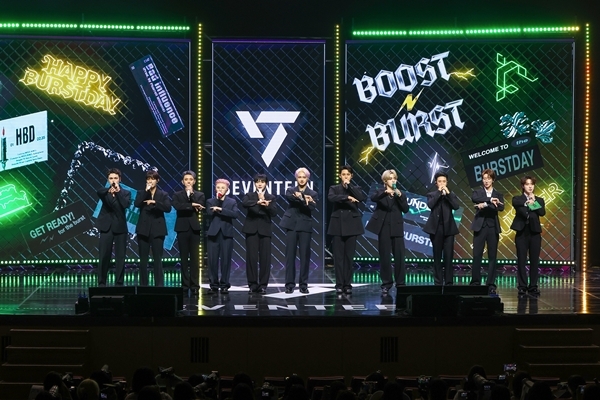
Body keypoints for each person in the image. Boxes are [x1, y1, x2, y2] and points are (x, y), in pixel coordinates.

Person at [366, 169, 409, 294]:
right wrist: (386, 192)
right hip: (384, 228)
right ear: (385, 181)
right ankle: (386, 283)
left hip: (397, 228)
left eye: (394, 178)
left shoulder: (400, 194)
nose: (393, 180)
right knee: (385, 257)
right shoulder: (380, 192)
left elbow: (406, 209)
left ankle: (400, 283)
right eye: (390, 179)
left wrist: (399, 196)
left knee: (399, 257)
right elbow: (373, 198)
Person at [327, 165, 366, 295]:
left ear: (351, 176)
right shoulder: (334, 188)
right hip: (337, 225)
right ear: (340, 176)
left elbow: (361, 198)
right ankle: (339, 284)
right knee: (338, 257)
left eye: (348, 174)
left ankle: (347, 284)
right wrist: (347, 197)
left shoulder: (356, 188)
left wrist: (349, 187)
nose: (345, 177)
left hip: (352, 225)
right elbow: (331, 198)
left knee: (349, 257)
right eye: (343, 174)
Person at [280, 167, 318, 294]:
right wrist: (304, 199)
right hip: (291, 225)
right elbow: (290, 198)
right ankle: (289, 284)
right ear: (296, 178)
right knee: (290, 256)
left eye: (304, 177)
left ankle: (303, 284)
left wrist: (300, 197)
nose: (301, 179)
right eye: (299, 177)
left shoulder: (313, 193)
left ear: (307, 178)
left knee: (305, 257)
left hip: (305, 226)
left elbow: (311, 207)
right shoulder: (291, 190)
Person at [470, 168, 505, 295]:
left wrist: (484, 204)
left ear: (493, 180)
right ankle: (475, 283)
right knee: (477, 255)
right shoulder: (478, 193)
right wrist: (489, 201)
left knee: (492, 257)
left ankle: (490, 284)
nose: (486, 181)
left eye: (488, 179)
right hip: (479, 227)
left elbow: (501, 207)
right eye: (484, 178)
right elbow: (474, 198)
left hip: (492, 227)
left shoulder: (498, 194)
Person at [510, 175, 546, 296]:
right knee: (521, 260)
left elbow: (542, 212)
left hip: (534, 232)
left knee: (534, 260)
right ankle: (522, 286)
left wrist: (533, 202)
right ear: (523, 186)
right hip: (522, 232)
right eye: (527, 184)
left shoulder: (539, 200)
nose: (530, 187)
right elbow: (517, 205)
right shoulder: (518, 199)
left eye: (532, 184)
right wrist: (527, 202)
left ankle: (533, 286)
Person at [135, 171, 172, 287]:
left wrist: (155, 202)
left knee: (157, 259)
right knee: (143, 260)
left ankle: (159, 286)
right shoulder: (141, 193)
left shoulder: (163, 194)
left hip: (158, 229)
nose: (150, 181)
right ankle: (143, 286)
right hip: (143, 229)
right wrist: (146, 192)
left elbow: (168, 208)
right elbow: (137, 204)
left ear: (157, 180)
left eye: (153, 179)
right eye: (148, 179)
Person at [242, 173, 277, 294]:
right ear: (254, 183)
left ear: (266, 184)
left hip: (265, 230)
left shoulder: (271, 197)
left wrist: (267, 205)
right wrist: (258, 201)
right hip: (251, 229)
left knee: (265, 258)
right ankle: (252, 284)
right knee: (251, 258)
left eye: (262, 182)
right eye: (257, 182)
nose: (260, 184)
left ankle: (263, 285)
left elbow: (274, 213)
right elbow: (244, 204)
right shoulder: (249, 195)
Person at [423, 172, 460, 286]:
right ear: (436, 183)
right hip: (436, 229)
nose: (442, 183)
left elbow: (456, 206)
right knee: (437, 256)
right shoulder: (431, 194)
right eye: (440, 181)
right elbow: (430, 205)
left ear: (447, 182)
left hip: (449, 230)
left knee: (448, 257)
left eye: (444, 181)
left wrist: (447, 194)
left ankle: (449, 283)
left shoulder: (451, 195)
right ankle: (438, 283)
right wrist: (439, 192)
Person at [172, 171, 205, 297]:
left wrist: (192, 196)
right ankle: (185, 286)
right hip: (182, 228)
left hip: (194, 228)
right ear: (182, 181)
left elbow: (200, 206)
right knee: (184, 259)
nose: (188, 181)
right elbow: (177, 206)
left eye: (191, 179)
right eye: (186, 179)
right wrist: (191, 205)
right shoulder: (177, 194)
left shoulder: (199, 194)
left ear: (194, 181)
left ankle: (195, 286)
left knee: (195, 259)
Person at [96, 168, 131, 286]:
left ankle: (119, 283)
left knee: (120, 257)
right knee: (104, 256)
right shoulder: (105, 192)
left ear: (120, 179)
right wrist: (109, 190)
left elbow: (125, 204)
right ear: (108, 180)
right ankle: (101, 282)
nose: (113, 180)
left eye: (115, 178)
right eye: (111, 178)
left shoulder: (126, 193)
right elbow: (98, 192)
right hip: (106, 227)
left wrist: (118, 192)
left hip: (120, 227)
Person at [206, 178, 239, 294]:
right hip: (213, 233)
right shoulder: (211, 201)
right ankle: (213, 284)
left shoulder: (232, 202)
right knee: (212, 261)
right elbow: (209, 213)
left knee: (226, 260)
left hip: (226, 234)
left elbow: (235, 214)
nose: (220, 189)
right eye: (218, 187)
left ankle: (225, 284)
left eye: (222, 188)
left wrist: (221, 209)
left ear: (227, 189)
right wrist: (217, 201)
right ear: (215, 188)